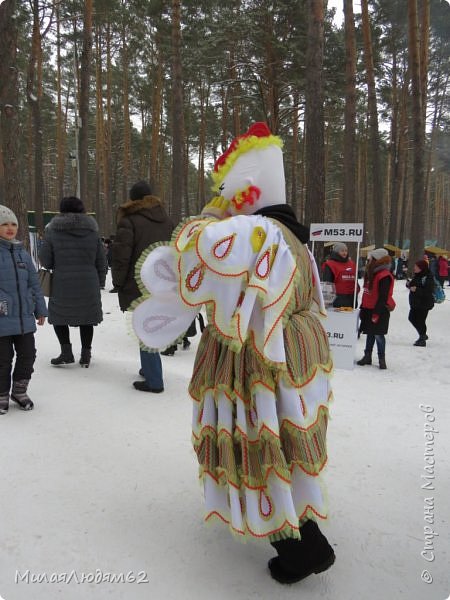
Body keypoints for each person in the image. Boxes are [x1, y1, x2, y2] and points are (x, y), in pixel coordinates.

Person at [131, 123, 335, 584]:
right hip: (289, 352)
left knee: (259, 441)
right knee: (284, 439)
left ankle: (298, 548)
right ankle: (305, 533)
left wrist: (211, 212)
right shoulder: (294, 236)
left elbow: (198, 248)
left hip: (255, 360)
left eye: (227, 189)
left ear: (246, 193)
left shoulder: (256, 230)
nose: (221, 196)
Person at [111, 180, 174, 392]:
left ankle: (154, 379)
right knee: (150, 326)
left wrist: (118, 282)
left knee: (144, 328)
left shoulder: (129, 221)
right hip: (163, 284)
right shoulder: (167, 221)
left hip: (137, 283)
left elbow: (121, 257)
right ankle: (149, 369)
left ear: (133, 199)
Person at [39, 197, 107, 368]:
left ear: (61, 211)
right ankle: (86, 354)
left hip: (63, 283)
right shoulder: (93, 232)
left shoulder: (53, 231)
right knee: (87, 318)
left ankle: (66, 352)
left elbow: (46, 261)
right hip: (88, 282)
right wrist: (100, 281)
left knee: (59, 317)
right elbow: (101, 260)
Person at [0, 205, 47, 414]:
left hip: (24, 318)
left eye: (13, 224)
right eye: (4, 224)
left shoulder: (23, 254)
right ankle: (1, 394)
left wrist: (40, 308)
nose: (10, 228)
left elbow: (34, 284)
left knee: (28, 354)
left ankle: (19, 391)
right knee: (3, 360)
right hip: (2, 318)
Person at [357, 248, 395, 369]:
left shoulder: (384, 276)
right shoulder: (372, 273)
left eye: (371, 259)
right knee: (369, 333)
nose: (368, 261)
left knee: (378, 335)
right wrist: (363, 307)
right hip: (368, 308)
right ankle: (367, 356)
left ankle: (381, 359)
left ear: (377, 260)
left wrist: (376, 313)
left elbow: (383, 296)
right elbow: (367, 292)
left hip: (379, 310)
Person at [406, 259, 435, 347]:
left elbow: (428, 291)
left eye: (416, 267)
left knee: (420, 320)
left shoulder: (428, 277)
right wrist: (409, 284)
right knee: (412, 318)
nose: (414, 268)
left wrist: (416, 289)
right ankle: (423, 335)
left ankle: (422, 338)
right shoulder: (417, 275)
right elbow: (413, 284)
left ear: (421, 268)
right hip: (415, 303)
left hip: (424, 303)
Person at [322, 242, 359, 307]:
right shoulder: (330, 264)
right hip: (337, 298)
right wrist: (327, 299)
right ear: (336, 252)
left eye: (346, 251)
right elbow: (327, 283)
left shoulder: (351, 263)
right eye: (342, 251)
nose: (344, 253)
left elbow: (355, 278)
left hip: (351, 298)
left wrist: (357, 289)